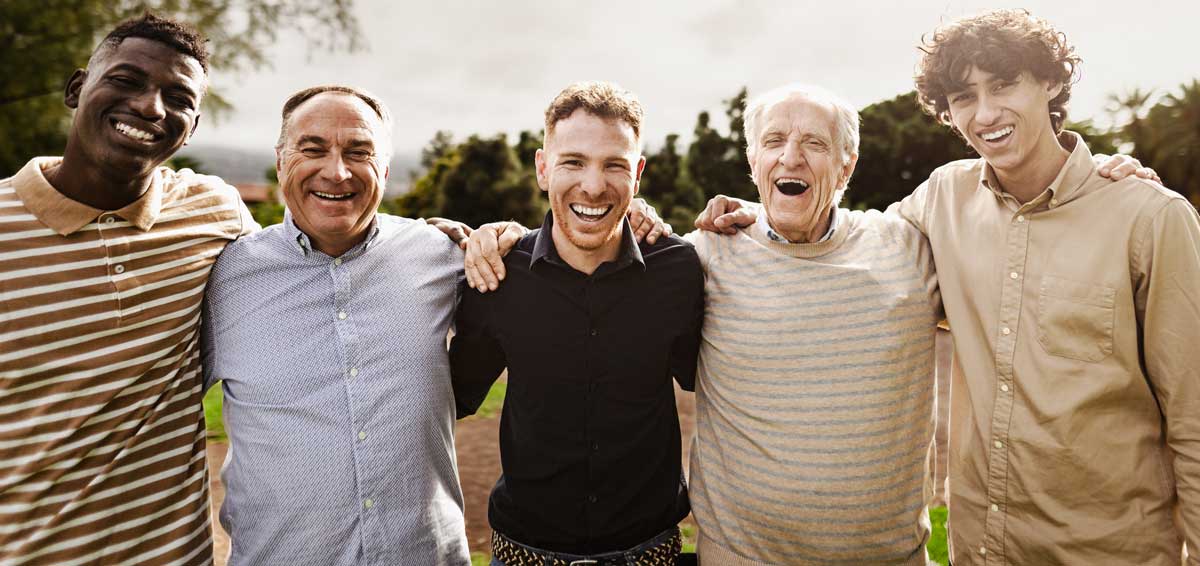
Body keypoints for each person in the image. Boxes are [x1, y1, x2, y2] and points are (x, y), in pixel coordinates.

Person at [695, 9, 1199, 565]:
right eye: (963, 96)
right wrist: (750, 213)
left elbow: (1195, 425)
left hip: (1110, 554)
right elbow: (839, 230)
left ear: (1052, 82)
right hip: (983, 552)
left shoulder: (1150, 219)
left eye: (1004, 84)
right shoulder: (943, 199)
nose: (985, 114)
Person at [0, 14, 254, 564]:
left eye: (178, 97)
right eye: (126, 80)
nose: (150, 107)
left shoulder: (214, 212)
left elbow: (313, 262)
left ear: (193, 124)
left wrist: (432, 237)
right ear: (76, 89)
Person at [201, 85, 472, 565]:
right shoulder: (223, 278)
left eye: (358, 152)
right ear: (281, 162)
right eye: (313, 149)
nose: (337, 171)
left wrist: (636, 220)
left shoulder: (442, 256)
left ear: (384, 170)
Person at [449, 81, 704, 566]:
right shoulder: (497, 276)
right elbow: (450, 397)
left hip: (651, 553)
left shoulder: (679, 270)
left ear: (638, 174)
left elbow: (707, 379)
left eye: (614, 164)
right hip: (523, 554)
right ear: (543, 168)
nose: (593, 185)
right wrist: (442, 236)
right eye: (573, 162)